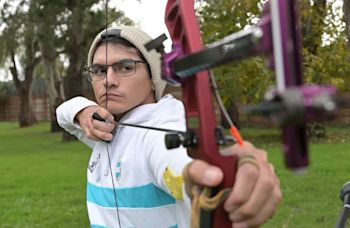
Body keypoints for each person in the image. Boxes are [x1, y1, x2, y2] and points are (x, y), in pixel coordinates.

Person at [56, 26, 282, 228]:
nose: (109, 80)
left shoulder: (162, 128)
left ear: (154, 76)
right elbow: (63, 115)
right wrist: (82, 110)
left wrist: (216, 177)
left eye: (125, 67)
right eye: (99, 70)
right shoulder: (103, 127)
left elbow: (176, 163)